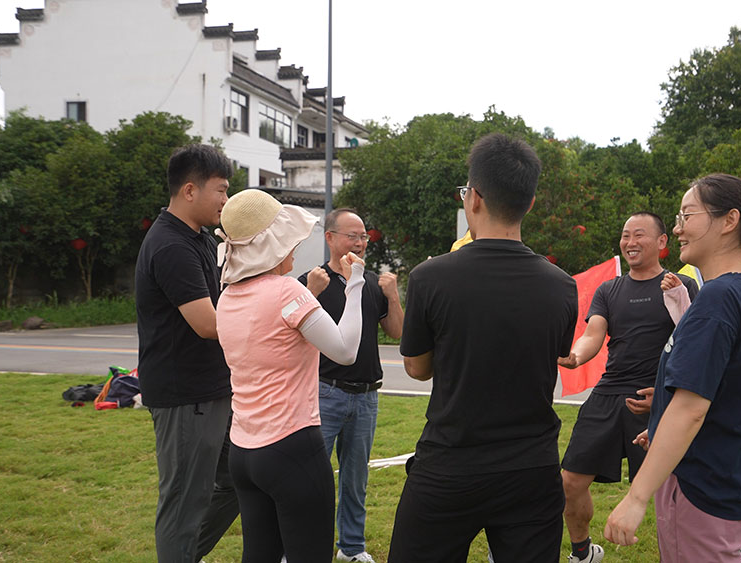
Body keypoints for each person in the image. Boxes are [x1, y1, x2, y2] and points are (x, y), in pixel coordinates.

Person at [387, 133, 578, 562]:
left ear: (473, 198)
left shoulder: (431, 277)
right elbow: (547, 356)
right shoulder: (562, 287)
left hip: (451, 461)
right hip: (531, 466)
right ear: (529, 203)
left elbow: (416, 368)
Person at [604, 173, 741, 562]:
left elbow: (692, 408)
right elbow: (722, 387)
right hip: (725, 469)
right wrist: (660, 421)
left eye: (687, 215)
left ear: (729, 220)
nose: (677, 227)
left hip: (702, 479)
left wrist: (636, 498)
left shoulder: (718, 298)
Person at [215, 188, 367, 562]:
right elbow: (345, 350)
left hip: (244, 450)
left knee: (260, 554)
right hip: (292, 445)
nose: (295, 251)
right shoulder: (286, 291)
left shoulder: (227, 297)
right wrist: (357, 283)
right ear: (274, 246)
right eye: (289, 242)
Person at [557, 211, 698, 563]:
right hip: (610, 393)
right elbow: (594, 334)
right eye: (625, 236)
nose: (630, 242)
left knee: (675, 494)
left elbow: (694, 342)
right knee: (570, 483)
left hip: (659, 397)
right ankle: (582, 552)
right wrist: (576, 357)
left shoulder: (681, 285)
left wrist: (666, 397)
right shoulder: (609, 289)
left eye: (639, 235)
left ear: (663, 242)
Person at [135, 144, 239, 563]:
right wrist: (267, 322)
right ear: (191, 190)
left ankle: (183, 556)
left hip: (213, 390)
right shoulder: (170, 246)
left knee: (237, 480)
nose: (227, 201)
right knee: (184, 502)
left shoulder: (197, 238)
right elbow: (208, 323)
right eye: (222, 190)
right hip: (186, 397)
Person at [298, 208, 404, 563]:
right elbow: (288, 333)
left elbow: (398, 333)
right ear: (329, 238)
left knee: (356, 479)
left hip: (366, 395)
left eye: (364, 237)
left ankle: (352, 548)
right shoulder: (312, 281)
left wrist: (393, 296)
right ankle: (301, 548)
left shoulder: (373, 282)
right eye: (352, 236)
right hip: (324, 391)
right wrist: (311, 293)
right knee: (310, 478)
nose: (360, 243)